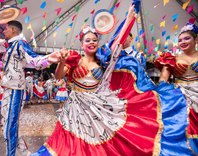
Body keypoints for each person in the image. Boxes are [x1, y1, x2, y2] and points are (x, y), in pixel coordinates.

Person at [32, 3, 197, 155]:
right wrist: (61, 61)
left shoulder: (103, 60)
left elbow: (117, 40)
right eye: (87, 40)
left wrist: (130, 18)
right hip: (76, 106)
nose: (92, 43)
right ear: (81, 43)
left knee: (99, 142)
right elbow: (60, 76)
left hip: (97, 106)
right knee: (70, 140)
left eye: (94, 40)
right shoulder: (74, 59)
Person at [0, 20, 65, 156]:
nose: (4, 31)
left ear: (13, 30)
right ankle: (25, 153)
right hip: (7, 90)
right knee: (8, 125)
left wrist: (52, 58)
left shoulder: (20, 44)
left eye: (6, 29)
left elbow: (34, 61)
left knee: (9, 128)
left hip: (15, 91)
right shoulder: (8, 45)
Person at [155, 23, 198, 155]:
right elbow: (163, 80)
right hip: (180, 95)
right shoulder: (172, 58)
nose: (182, 42)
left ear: (196, 40)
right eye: (180, 40)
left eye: (187, 38)